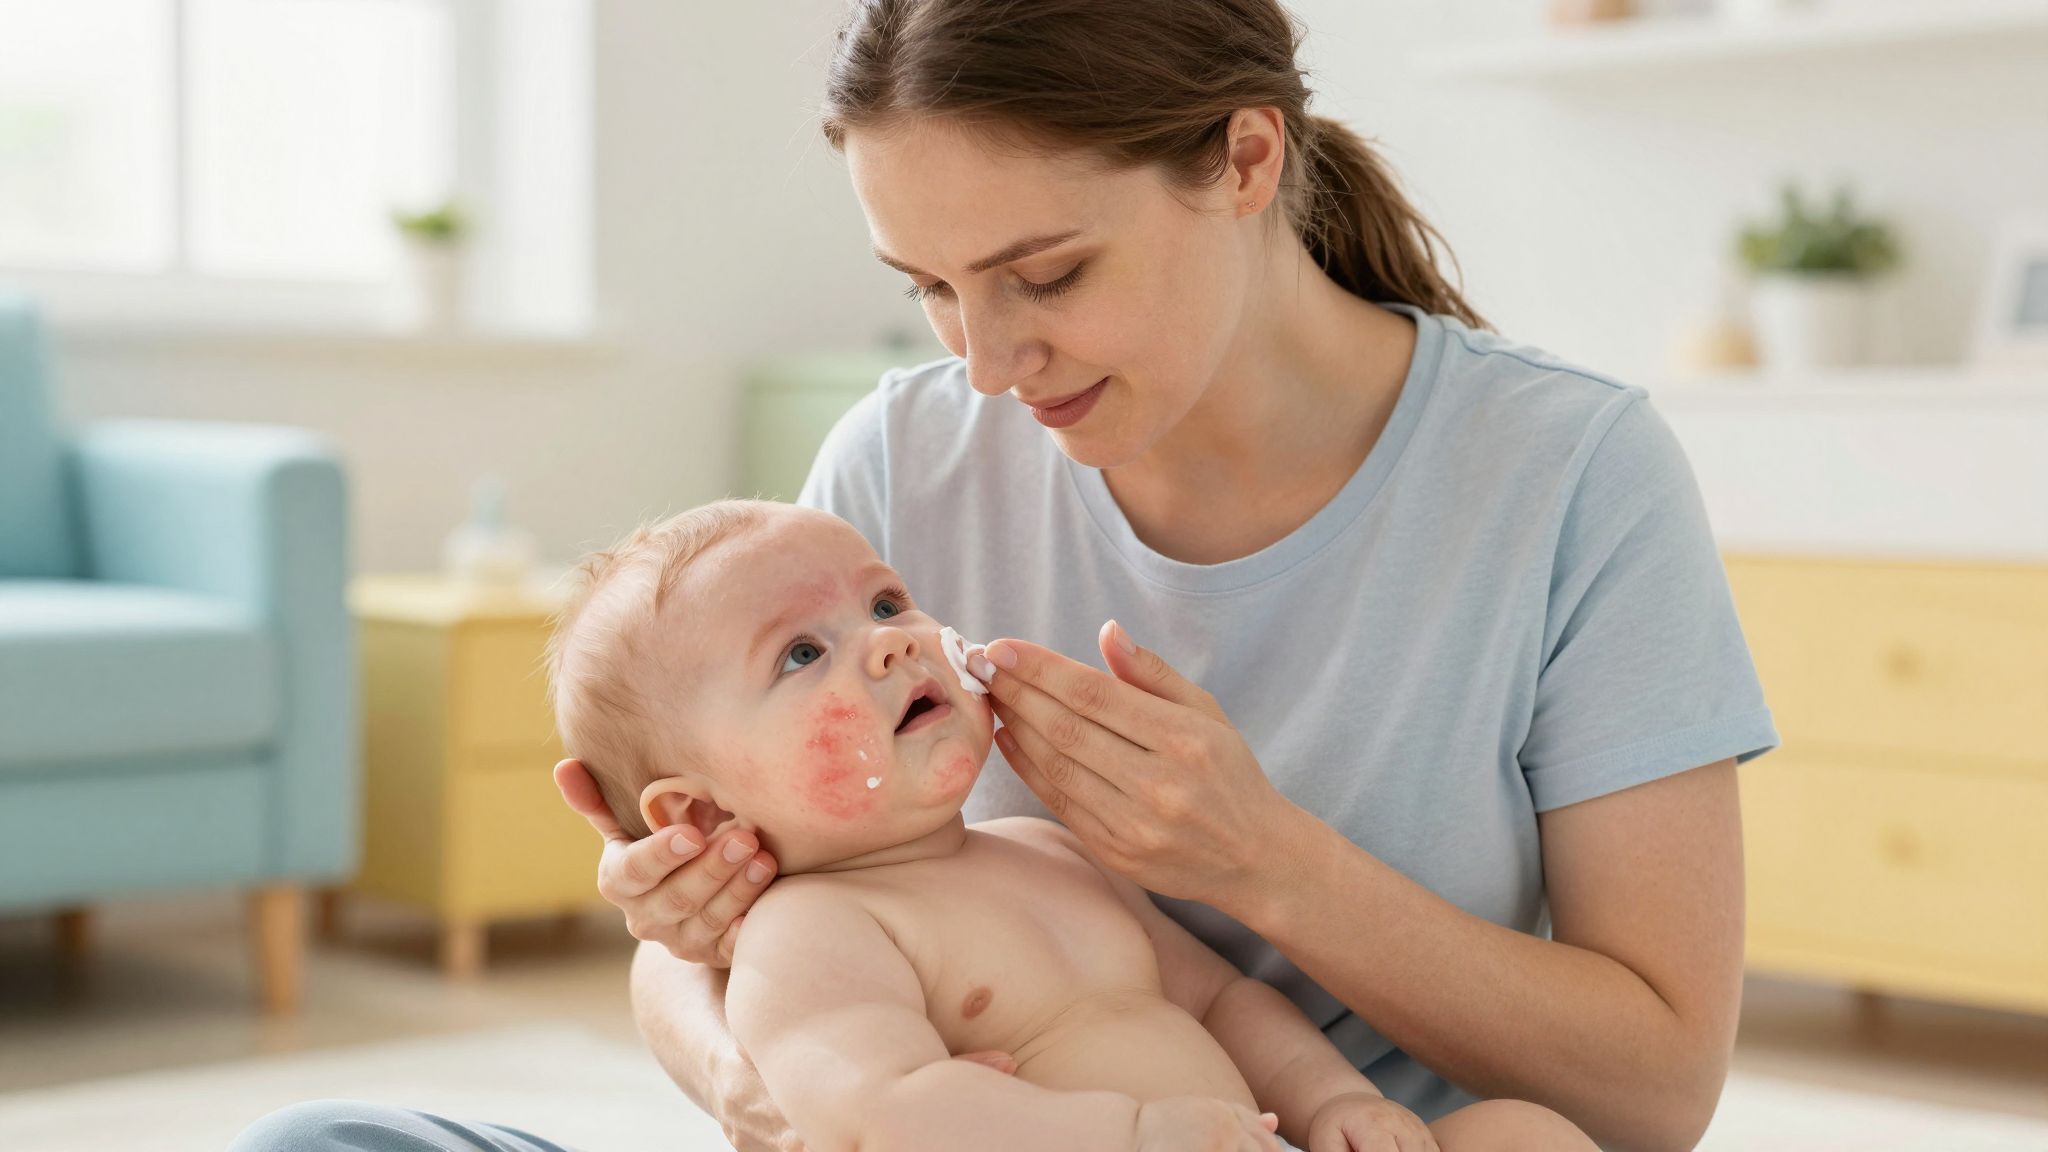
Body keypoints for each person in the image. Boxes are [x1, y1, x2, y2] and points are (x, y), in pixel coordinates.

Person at [232, 0, 1775, 1149]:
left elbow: (1654, 1089)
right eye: (928, 294)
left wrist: (1266, 865)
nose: (983, 367)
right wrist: (718, 973)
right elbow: (742, 981)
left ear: (1246, 157)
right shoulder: (895, 470)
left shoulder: (1569, 477)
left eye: (1045, 278)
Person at [549, 497, 1595, 1152]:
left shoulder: (1043, 850)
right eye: (798, 655)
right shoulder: (813, 934)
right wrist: (1132, 1136)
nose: (887, 647)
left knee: (1522, 1135)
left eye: (885, 603)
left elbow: (1225, 1002)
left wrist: (1330, 1102)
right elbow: (875, 1116)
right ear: (694, 815)